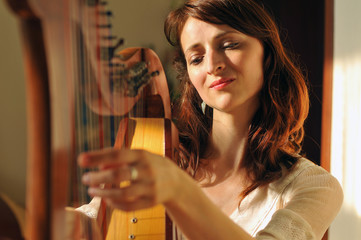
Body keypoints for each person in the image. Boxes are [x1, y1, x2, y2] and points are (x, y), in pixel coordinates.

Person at [78, 0, 343, 239]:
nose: (212, 64)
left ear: (267, 55)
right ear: (191, 80)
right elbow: (90, 220)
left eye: (229, 45)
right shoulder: (164, 162)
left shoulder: (313, 186)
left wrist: (181, 191)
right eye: (196, 58)